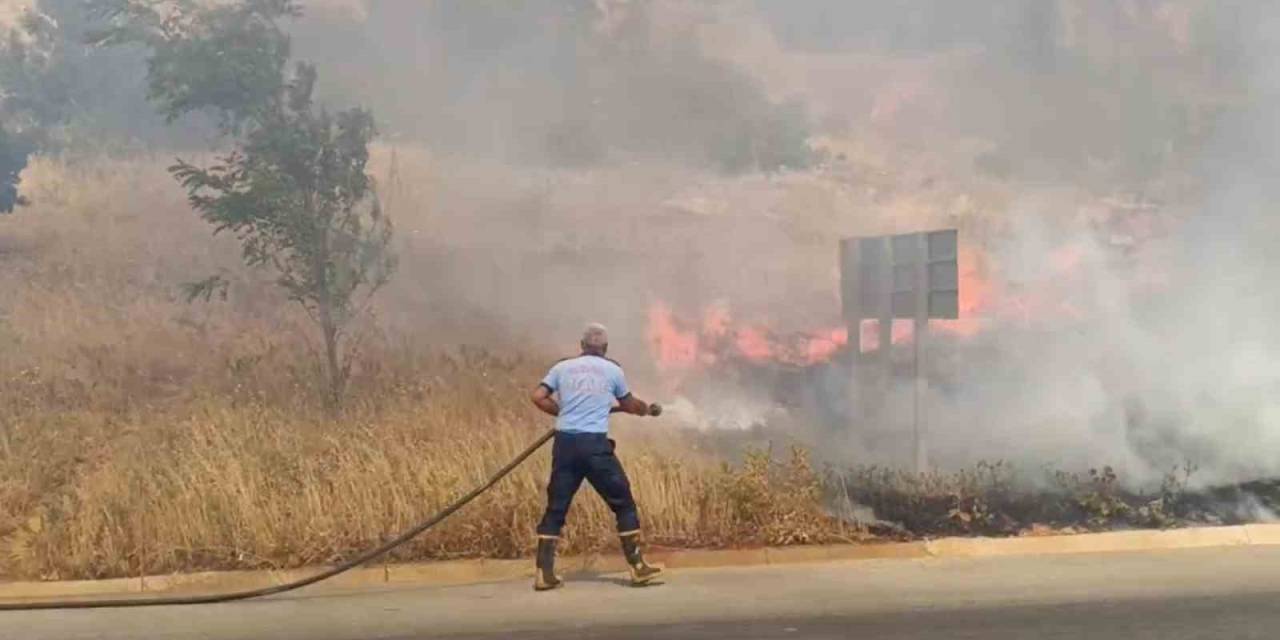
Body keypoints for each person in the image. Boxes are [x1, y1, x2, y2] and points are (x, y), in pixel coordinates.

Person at [530, 323, 664, 591]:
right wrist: (645, 410)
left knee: (556, 507)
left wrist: (563, 413)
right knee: (623, 503)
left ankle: (544, 574)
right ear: (605, 348)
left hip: (565, 444)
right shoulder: (612, 370)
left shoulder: (562, 367)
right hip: (594, 446)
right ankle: (638, 567)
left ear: (582, 346)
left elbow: (538, 397)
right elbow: (628, 403)